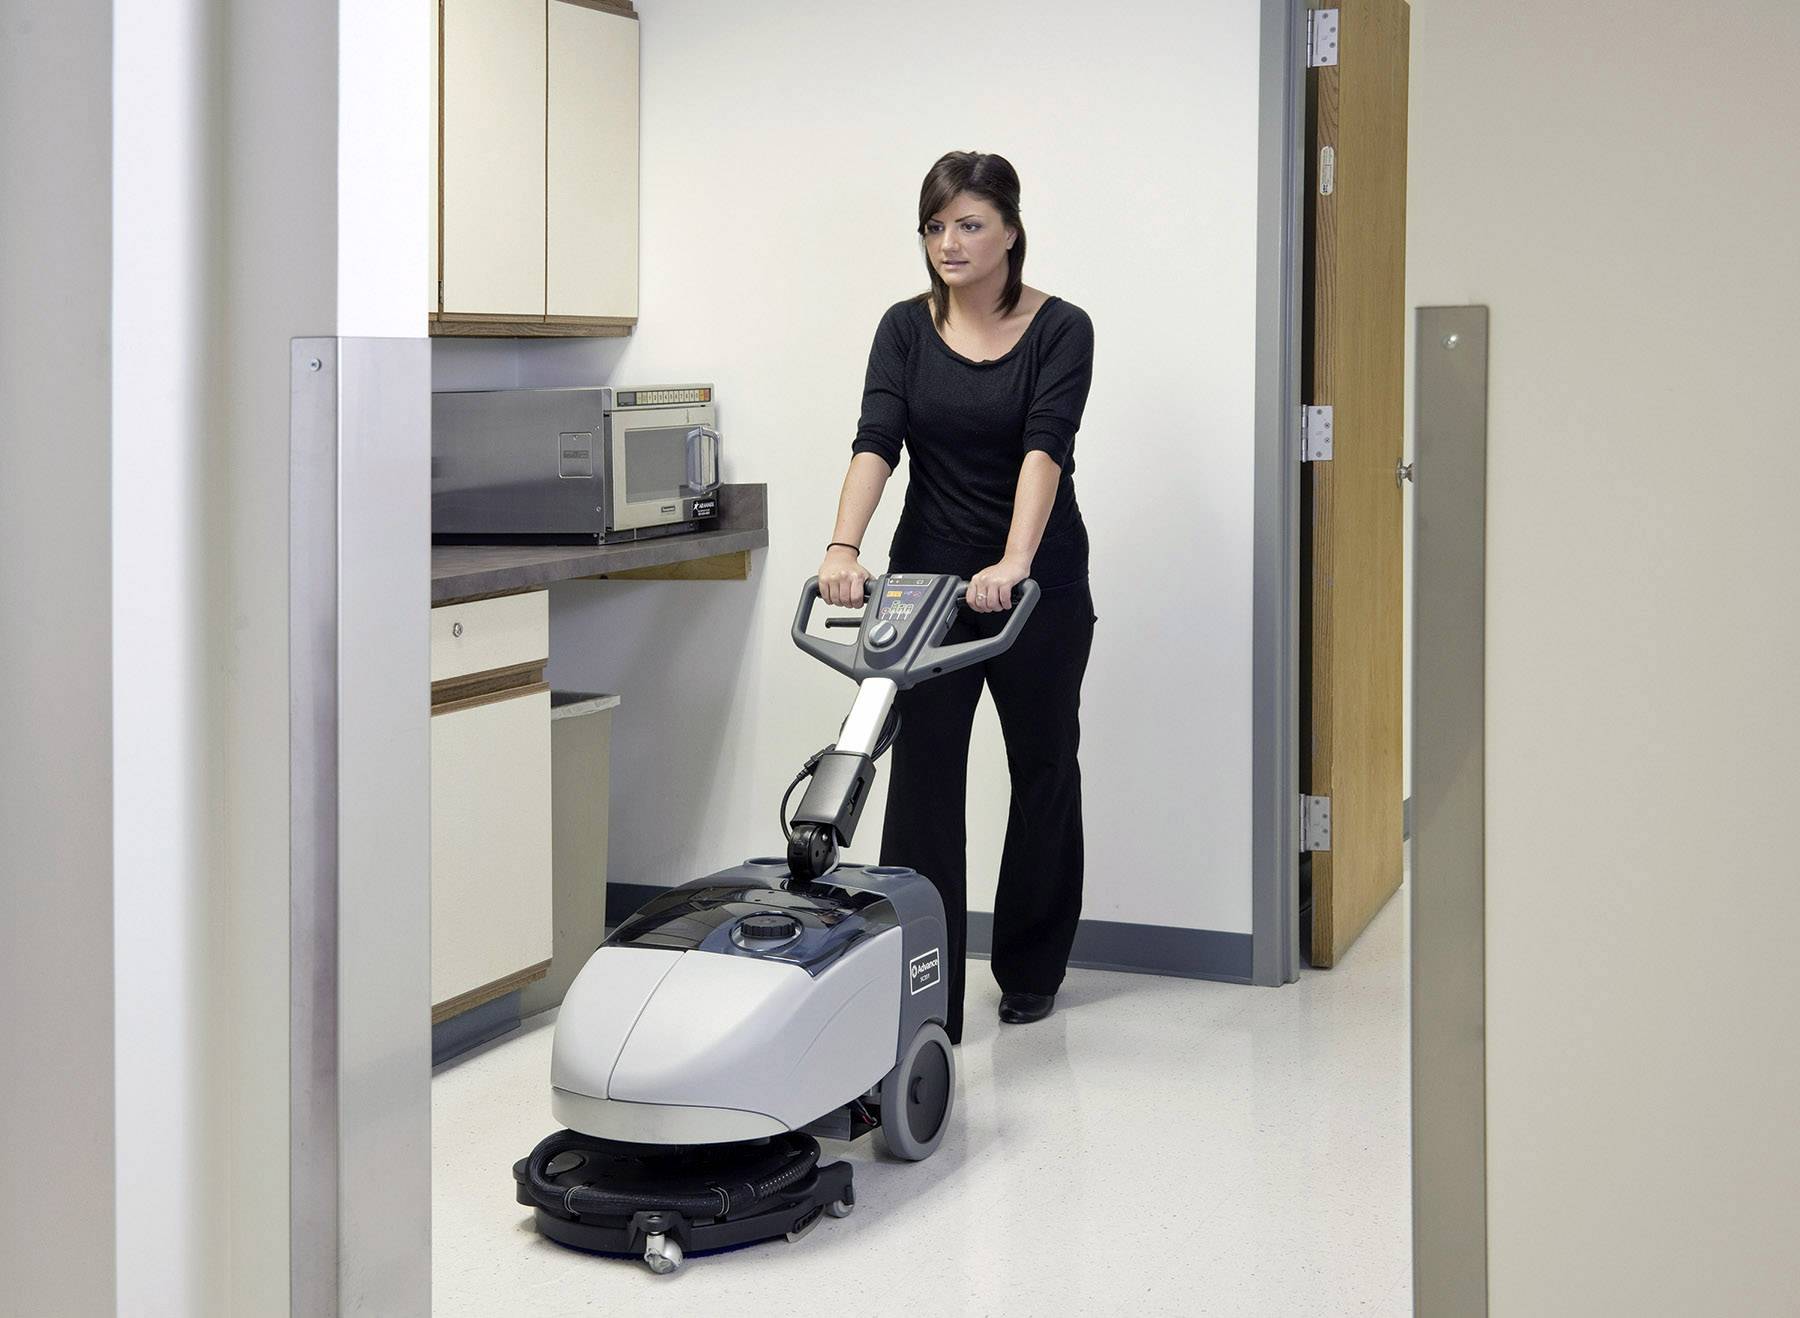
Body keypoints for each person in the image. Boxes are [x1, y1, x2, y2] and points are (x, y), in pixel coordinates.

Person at [815, 150, 1096, 1045]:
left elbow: (1043, 450)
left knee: (1043, 765)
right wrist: (843, 547)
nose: (950, 242)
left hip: (1035, 581)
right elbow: (877, 440)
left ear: (1011, 230)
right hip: (925, 583)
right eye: (935, 226)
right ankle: (923, 974)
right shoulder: (904, 328)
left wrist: (1014, 560)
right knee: (924, 776)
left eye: (969, 224)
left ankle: (1030, 969)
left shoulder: (1062, 328)